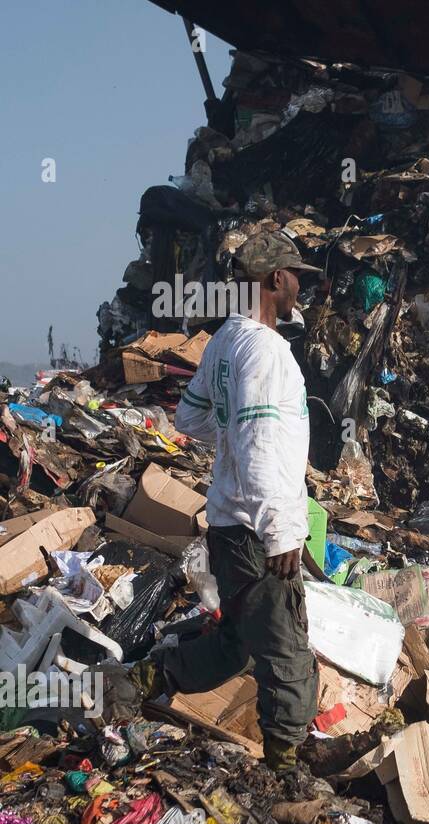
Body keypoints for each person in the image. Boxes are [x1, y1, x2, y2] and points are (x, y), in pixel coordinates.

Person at [134, 232, 322, 771]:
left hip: (229, 529)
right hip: (258, 532)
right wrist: (283, 531)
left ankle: (145, 681)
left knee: (235, 644)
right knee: (286, 657)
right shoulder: (266, 350)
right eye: (295, 276)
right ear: (274, 280)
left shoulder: (223, 342)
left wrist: (233, 432)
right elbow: (261, 444)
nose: (298, 287)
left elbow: (189, 418)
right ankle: (284, 774)